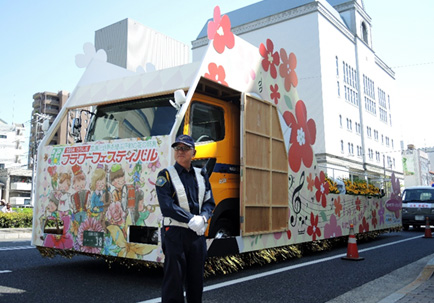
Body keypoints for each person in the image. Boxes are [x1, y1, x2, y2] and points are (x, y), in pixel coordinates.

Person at [155, 134, 215, 303]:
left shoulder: (202, 175)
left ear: (193, 153)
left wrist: (203, 218)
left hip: (197, 235)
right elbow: (167, 205)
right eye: (178, 148)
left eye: (185, 148)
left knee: (196, 282)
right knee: (174, 281)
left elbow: (209, 202)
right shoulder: (165, 175)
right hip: (175, 233)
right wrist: (190, 219)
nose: (180, 151)